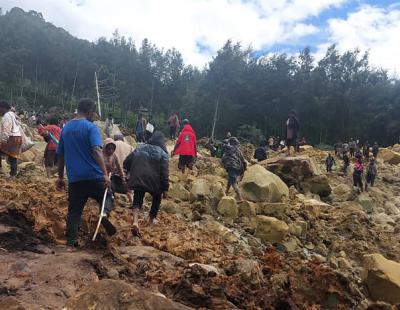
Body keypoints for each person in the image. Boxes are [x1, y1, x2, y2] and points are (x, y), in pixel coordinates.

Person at [56, 98, 116, 249]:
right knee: (107, 195)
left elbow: (61, 156)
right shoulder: (90, 127)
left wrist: (60, 177)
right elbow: (96, 150)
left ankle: (71, 242)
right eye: (93, 113)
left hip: (75, 179)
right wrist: (104, 173)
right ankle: (104, 214)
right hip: (94, 176)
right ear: (89, 112)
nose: (94, 115)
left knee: (74, 212)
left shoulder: (65, 129)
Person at [123, 132, 169, 237]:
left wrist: (131, 171)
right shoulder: (163, 154)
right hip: (154, 182)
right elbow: (165, 173)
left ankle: (135, 221)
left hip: (138, 178)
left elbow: (126, 162)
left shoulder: (139, 148)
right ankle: (152, 219)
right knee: (157, 198)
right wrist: (165, 189)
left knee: (138, 199)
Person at [0, 100, 22, 177]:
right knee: (13, 157)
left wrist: (4, 140)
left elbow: (7, 128)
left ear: (2, 108)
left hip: (11, 138)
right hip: (17, 137)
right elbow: (19, 122)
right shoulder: (13, 114)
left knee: (7, 154)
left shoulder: (6, 116)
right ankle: (13, 174)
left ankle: (2, 170)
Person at [222, 137, 247, 202]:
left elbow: (223, 158)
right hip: (238, 167)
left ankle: (240, 198)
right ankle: (226, 192)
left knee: (233, 182)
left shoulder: (228, 149)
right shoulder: (238, 150)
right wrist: (244, 168)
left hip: (231, 166)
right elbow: (243, 160)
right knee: (230, 179)